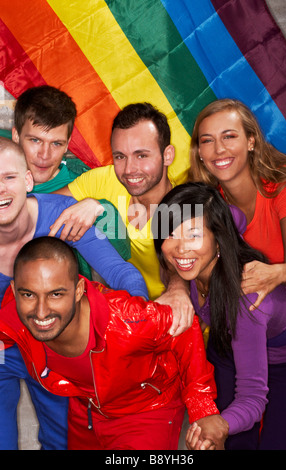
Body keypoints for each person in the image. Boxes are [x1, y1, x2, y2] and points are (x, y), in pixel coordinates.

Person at [0, 236, 229, 450]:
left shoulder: (127, 320)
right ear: (14, 291)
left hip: (145, 411)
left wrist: (203, 408)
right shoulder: (15, 314)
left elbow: (185, 331)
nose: (41, 311)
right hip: (86, 411)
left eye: (56, 294)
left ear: (79, 290)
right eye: (28, 294)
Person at [0, 137, 148, 450]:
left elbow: (121, 273)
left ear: (28, 180)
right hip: (4, 351)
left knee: (64, 441)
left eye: (8, 177)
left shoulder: (63, 214)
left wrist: (136, 324)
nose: (0, 189)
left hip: (55, 347)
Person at [153, 182, 286, 450]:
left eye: (193, 235)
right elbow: (235, 218)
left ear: (219, 238)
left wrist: (221, 424)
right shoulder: (210, 233)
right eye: (170, 234)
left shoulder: (246, 302)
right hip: (227, 346)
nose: (180, 249)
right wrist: (176, 287)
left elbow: (252, 397)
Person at [50, 102, 194, 335]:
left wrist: (178, 290)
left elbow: (179, 264)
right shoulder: (102, 181)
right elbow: (41, 212)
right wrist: (92, 205)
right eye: (120, 156)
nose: (129, 169)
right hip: (105, 315)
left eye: (141, 155)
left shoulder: (183, 205)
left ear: (167, 155)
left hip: (165, 324)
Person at [189, 98, 286, 309]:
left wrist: (276, 273)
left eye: (229, 136)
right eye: (207, 140)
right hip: (246, 311)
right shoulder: (205, 201)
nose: (219, 149)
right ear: (200, 153)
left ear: (251, 141)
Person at [9, 84, 131, 271]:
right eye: (35, 140)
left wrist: (100, 210)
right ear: (16, 135)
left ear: (67, 145)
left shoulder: (82, 185)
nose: (44, 154)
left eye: (56, 143)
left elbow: (114, 274)